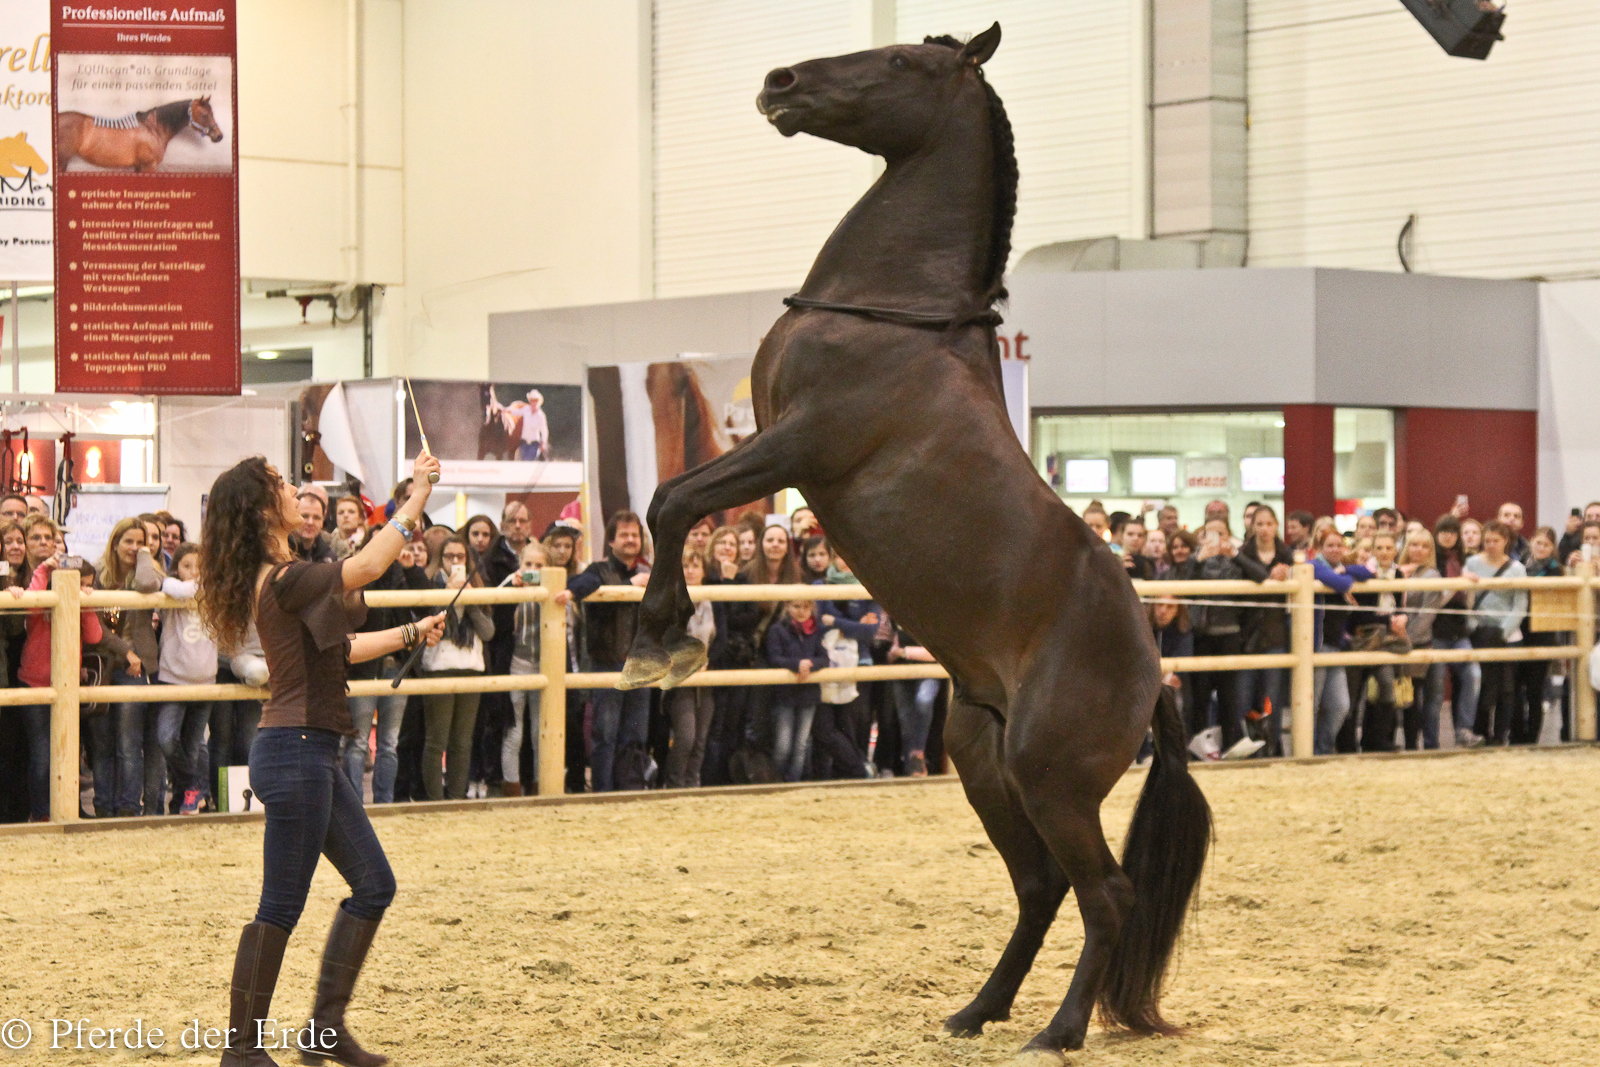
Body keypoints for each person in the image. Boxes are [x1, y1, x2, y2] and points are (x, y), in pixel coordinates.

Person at [196, 452, 445, 1067]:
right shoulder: (284, 579)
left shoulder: (289, 575)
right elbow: (367, 564)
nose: (294, 489)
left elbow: (345, 646)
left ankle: (322, 1029)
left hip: (309, 752)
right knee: (280, 904)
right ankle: (242, 1050)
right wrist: (414, 498)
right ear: (262, 510)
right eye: (281, 485)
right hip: (297, 752)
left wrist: (411, 634)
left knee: (374, 885)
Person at [569, 511, 653, 792]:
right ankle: (603, 792)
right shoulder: (597, 571)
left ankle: (630, 789)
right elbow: (577, 587)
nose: (631, 540)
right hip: (607, 663)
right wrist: (628, 587)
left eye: (635, 535)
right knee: (605, 733)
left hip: (641, 664)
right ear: (611, 541)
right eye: (624, 535)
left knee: (637, 734)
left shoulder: (649, 572)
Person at [15, 553, 101, 821]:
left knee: (69, 752)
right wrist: (43, 569)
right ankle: (41, 812)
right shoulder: (42, 601)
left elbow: (94, 636)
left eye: (85, 583)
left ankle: (69, 808)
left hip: (67, 686)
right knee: (42, 754)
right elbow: (29, 607)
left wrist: (85, 602)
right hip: (35, 684)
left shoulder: (79, 603)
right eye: (76, 582)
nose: (79, 587)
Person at [418, 535, 494, 800]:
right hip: (439, 666)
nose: (455, 562)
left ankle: (457, 797)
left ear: (467, 559)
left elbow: (487, 632)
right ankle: (436, 801)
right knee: (436, 740)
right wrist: (448, 597)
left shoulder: (477, 587)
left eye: (460, 557)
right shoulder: (430, 585)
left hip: (471, 667)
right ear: (441, 559)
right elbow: (427, 625)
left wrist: (470, 601)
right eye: (449, 557)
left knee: (462, 742)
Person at [99, 517, 164, 816]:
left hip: (136, 669)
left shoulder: (149, 572)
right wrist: (125, 652)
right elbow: (97, 627)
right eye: (129, 541)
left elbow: (148, 584)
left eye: (141, 542)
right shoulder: (98, 576)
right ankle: (104, 805)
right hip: (103, 665)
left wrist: (143, 557)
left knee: (129, 743)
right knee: (102, 743)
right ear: (115, 542)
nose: (135, 547)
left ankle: (128, 807)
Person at [155, 543, 216, 815]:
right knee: (166, 738)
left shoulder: (215, 591)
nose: (194, 573)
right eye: (187, 566)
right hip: (172, 677)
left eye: (200, 567)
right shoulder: (171, 588)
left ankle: (186, 799)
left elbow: (192, 589)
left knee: (194, 744)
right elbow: (175, 587)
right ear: (176, 568)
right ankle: (194, 785)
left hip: (205, 678)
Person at [1236, 505, 1295, 756]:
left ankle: (1271, 746)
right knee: (1243, 696)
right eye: (1259, 524)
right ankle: (1249, 746)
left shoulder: (1287, 555)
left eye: (1269, 523)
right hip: (1246, 635)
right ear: (1252, 526)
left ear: (1276, 526)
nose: (1264, 529)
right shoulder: (1241, 554)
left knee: (1272, 697)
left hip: (1275, 633)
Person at [1310, 528, 1373, 755]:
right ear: (1319, 548)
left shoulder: (1338, 566)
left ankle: (1323, 749)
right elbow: (1342, 584)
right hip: (1316, 646)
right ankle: (1307, 752)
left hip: (1336, 646)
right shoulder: (1313, 566)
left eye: (1339, 545)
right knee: (1312, 704)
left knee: (1340, 705)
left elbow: (1366, 573)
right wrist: (1345, 575)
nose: (1335, 549)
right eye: (1330, 545)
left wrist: (1344, 569)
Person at [1465, 520, 1528, 745]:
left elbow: (1520, 605)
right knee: (1482, 686)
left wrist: (1503, 631)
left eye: (1496, 540)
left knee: (1507, 688)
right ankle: (1481, 731)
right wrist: (1474, 626)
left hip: (1508, 635)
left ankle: (1500, 735)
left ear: (1506, 542)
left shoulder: (1517, 569)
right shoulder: (1471, 563)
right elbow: (1467, 601)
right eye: (1487, 540)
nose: (1491, 544)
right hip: (1480, 632)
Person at [1185, 519, 1246, 749]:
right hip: (1201, 634)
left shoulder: (1237, 559)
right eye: (1211, 533)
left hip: (1230, 633)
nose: (1216, 539)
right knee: (1199, 697)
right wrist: (1199, 560)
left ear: (1229, 536)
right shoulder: (1194, 559)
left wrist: (1236, 556)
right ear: (1202, 537)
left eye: (1221, 534)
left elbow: (1256, 576)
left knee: (1229, 698)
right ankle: (1200, 748)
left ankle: (1230, 746)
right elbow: (1183, 587)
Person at [500, 541, 550, 797]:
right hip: (517, 664)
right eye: (528, 564)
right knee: (514, 731)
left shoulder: (552, 585)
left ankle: (542, 783)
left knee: (539, 729)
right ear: (520, 565)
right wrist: (513, 589)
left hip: (544, 665)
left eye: (539, 565)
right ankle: (511, 785)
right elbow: (495, 608)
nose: (533, 569)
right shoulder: (511, 581)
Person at [540, 523, 587, 793]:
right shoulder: (537, 573)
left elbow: (591, 578)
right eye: (556, 545)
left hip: (574, 656)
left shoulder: (581, 576)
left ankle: (577, 781)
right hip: (545, 655)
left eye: (567, 546)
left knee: (575, 723)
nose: (561, 551)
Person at [663, 548, 716, 788]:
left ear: (704, 570)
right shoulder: (670, 600)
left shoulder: (714, 600)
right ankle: (674, 785)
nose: (691, 571)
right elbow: (668, 639)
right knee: (686, 736)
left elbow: (721, 637)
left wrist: (708, 661)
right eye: (686, 566)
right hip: (680, 677)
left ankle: (693, 783)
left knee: (701, 739)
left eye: (696, 566)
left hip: (707, 676)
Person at [1431, 515, 1483, 748]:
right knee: (1435, 688)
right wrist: (1459, 583)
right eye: (1443, 531)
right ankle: (1431, 741)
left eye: (1453, 532)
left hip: (1459, 630)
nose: (1448, 536)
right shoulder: (1433, 561)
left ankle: (1464, 729)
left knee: (1473, 675)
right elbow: (1435, 601)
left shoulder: (1464, 559)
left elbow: (1468, 598)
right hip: (1436, 631)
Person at [764, 598, 826, 782]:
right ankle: (776, 781)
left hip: (809, 693)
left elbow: (824, 658)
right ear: (787, 607)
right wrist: (796, 664)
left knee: (801, 744)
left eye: (806, 607)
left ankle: (794, 782)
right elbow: (774, 657)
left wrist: (809, 665)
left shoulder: (817, 630)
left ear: (812, 608)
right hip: (785, 693)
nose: (801, 611)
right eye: (796, 606)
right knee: (783, 744)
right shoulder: (777, 629)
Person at [1514, 525, 1563, 745]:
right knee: (1514, 688)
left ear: (1552, 548)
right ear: (1531, 541)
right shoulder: (1519, 565)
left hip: (1542, 633)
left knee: (1534, 690)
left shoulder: (1555, 570)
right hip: (1518, 631)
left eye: (1546, 544)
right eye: (1538, 542)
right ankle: (1516, 735)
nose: (1541, 547)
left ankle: (1532, 738)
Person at [1396, 528, 1443, 749]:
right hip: (1394, 641)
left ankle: (1412, 746)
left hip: (1417, 643)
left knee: (1413, 698)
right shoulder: (1398, 570)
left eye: (1425, 546)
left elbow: (1427, 616)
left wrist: (1406, 639)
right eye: (1414, 544)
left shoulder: (1432, 575)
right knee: (1399, 697)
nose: (1419, 550)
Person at [293, 486, 342, 562]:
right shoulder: (281, 554)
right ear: (293, 516)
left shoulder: (330, 558)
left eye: (316, 518)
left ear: (323, 521)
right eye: (305, 516)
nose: (310, 522)